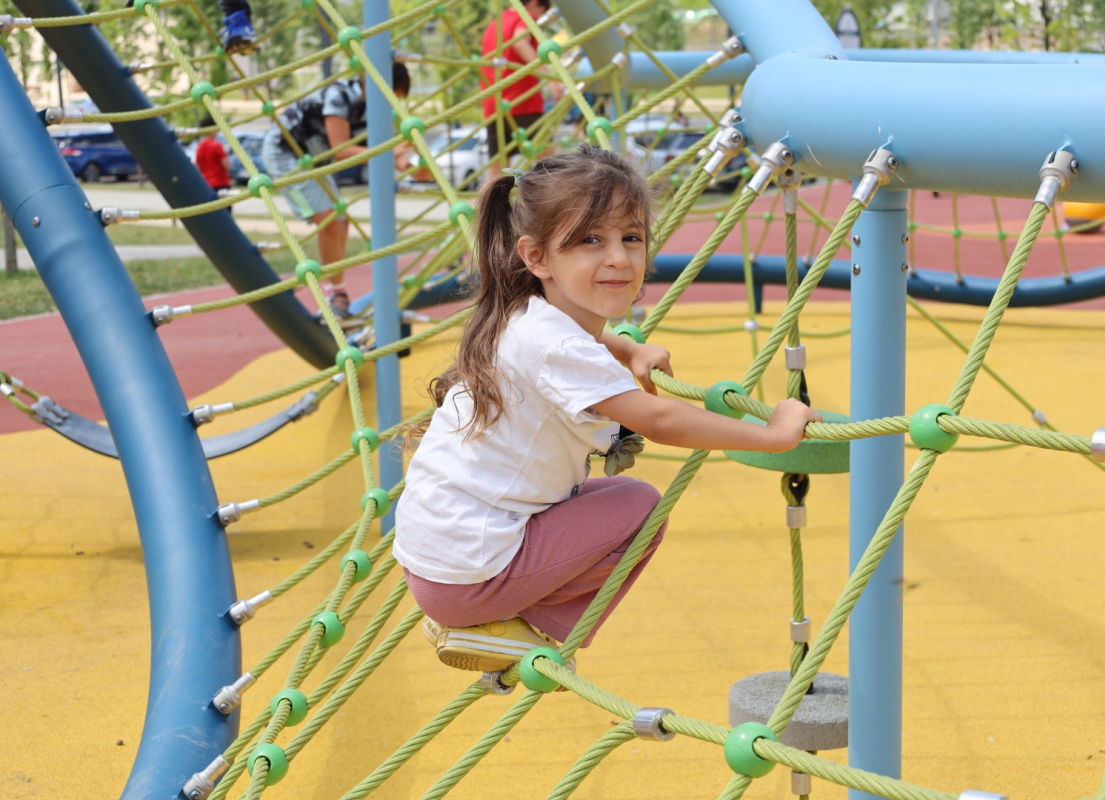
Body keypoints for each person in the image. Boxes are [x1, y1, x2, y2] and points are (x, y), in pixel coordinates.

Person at [393, 146, 822, 674]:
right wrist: (773, 434)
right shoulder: (559, 346)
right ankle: (513, 630)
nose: (618, 257)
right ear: (536, 257)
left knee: (612, 496)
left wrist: (627, 349)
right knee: (641, 508)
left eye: (631, 238)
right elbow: (659, 420)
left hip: (436, 562)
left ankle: (483, 621)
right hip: (470, 578)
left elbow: (576, 342)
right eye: (590, 240)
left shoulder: (521, 313)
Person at [262, 63, 411, 318]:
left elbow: (385, 152)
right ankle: (335, 294)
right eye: (391, 97)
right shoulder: (340, 96)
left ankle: (337, 290)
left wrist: (411, 166)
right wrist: (391, 152)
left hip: (314, 159)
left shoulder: (370, 108)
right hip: (285, 154)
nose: (392, 106)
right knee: (328, 220)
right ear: (375, 86)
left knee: (341, 221)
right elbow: (341, 150)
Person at [479, 0, 553, 182]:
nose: (538, 18)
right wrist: (549, 78)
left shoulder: (496, 23)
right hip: (522, 102)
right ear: (534, 4)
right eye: (541, 12)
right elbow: (520, 42)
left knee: (496, 174)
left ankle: (485, 201)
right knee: (548, 164)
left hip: (494, 105)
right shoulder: (525, 16)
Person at [194, 114, 232, 207]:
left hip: (206, 184)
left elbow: (197, 166)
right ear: (212, 129)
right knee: (224, 211)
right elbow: (227, 166)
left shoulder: (199, 146)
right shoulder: (216, 145)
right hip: (220, 183)